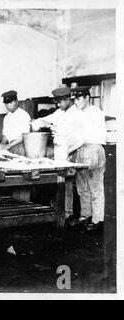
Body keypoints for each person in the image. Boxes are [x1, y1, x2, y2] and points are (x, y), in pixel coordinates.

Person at [67, 86, 106, 232]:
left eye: (78, 99)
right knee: (82, 188)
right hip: (81, 150)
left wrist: (68, 150)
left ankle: (98, 220)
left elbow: (83, 137)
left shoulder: (95, 113)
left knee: (95, 188)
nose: (75, 102)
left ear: (87, 98)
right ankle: (85, 216)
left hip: (93, 150)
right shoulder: (78, 113)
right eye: (74, 100)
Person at [31, 87, 81, 161]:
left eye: (60, 102)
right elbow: (47, 119)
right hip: (59, 148)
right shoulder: (59, 112)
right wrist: (36, 121)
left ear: (67, 100)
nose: (58, 105)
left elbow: (66, 132)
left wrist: (49, 126)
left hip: (70, 151)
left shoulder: (76, 113)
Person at [0, 90, 30, 155]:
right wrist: (2, 144)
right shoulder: (6, 117)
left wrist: (9, 145)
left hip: (21, 146)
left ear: (16, 102)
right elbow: (5, 135)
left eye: (10, 102)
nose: (9, 105)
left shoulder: (23, 115)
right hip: (10, 145)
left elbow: (24, 136)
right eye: (6, 103)